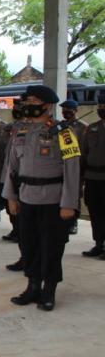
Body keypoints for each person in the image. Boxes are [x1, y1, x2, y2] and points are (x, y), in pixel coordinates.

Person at [3, 85, 79, 312]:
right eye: (27, 100)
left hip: (53, 201)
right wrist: (11, 197)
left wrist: (69, 203)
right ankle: (33, 286)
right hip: (26, 198)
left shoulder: (64, 133)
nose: (28, 104)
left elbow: (72, 169)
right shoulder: (20, 131)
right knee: (29, 246)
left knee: (52, 247)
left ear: (47, 105)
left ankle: (49, 290)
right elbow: (11, 167)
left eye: (33, 100)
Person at [0, 98, 28, 272]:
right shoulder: (14, 128)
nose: (17, 109)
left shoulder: (54, 131)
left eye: (21, 106)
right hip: (12, 179)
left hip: (35, 187)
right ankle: (24, 257)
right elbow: (7, 156)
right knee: (16, 217)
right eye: (15, 107)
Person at [81, 94, 105, 258]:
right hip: (92, 177)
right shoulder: (91, 128)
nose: (101, 109)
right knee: (95, 212)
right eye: (100, 106)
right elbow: (83, 154)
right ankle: (99, 243)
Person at [60, 99, 87, 235]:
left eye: (68, 110)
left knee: (74, 194)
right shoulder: (60, 126)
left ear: (75, 111)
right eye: (64, 110)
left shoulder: (83, 128)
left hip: (78, 166)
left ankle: (73, 222)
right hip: (61, 166)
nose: (66, 112)